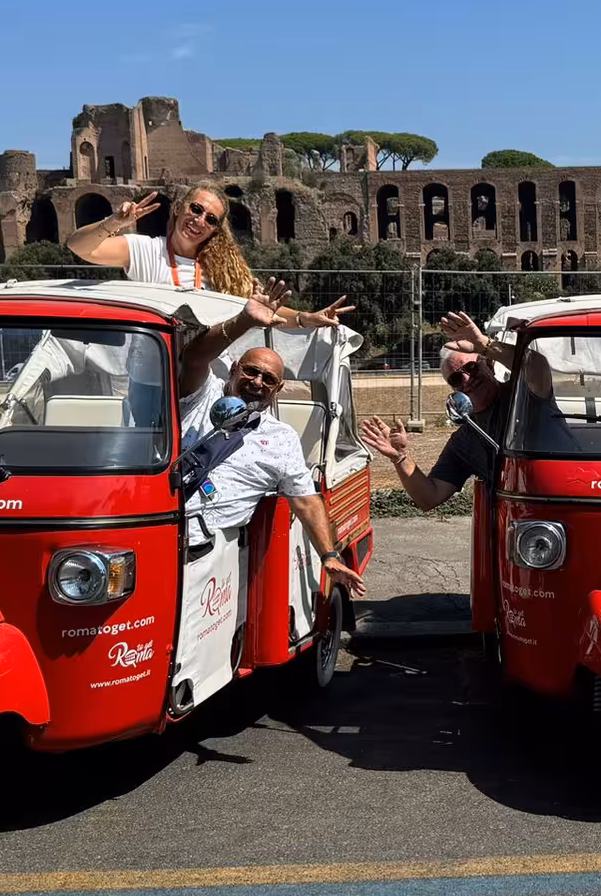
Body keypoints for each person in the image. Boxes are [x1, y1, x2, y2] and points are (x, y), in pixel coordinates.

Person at [174, 293, 365, 597]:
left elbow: (305, 499)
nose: (257, 382)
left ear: (278, 389)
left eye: (268, 378)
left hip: (213, 558)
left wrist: (329, 556)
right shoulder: (202, 397)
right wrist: (244, 321)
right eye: (250, 371)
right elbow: (194, 357)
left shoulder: (281, 438)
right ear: (235, 368)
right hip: (160, 531)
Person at [65, 185, 354, 332]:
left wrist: (305, 318)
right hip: (152, 372)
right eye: (195, 209)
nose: (199, 220)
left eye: (211, 219)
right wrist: (113, 223)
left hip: (212, 374)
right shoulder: (145, 250)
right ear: (178, 208)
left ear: (216, 228)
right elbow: (80, 247)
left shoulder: (224, 270)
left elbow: (262, 312)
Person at [358, 312, 510, 511]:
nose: (466, 380)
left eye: (471, 367)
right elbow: (430, 497)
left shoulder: (522, 395)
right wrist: (401, 456)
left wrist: (484, 344)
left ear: (488, 363)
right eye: (456, 379)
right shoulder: (465, 439)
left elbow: (536, 366)